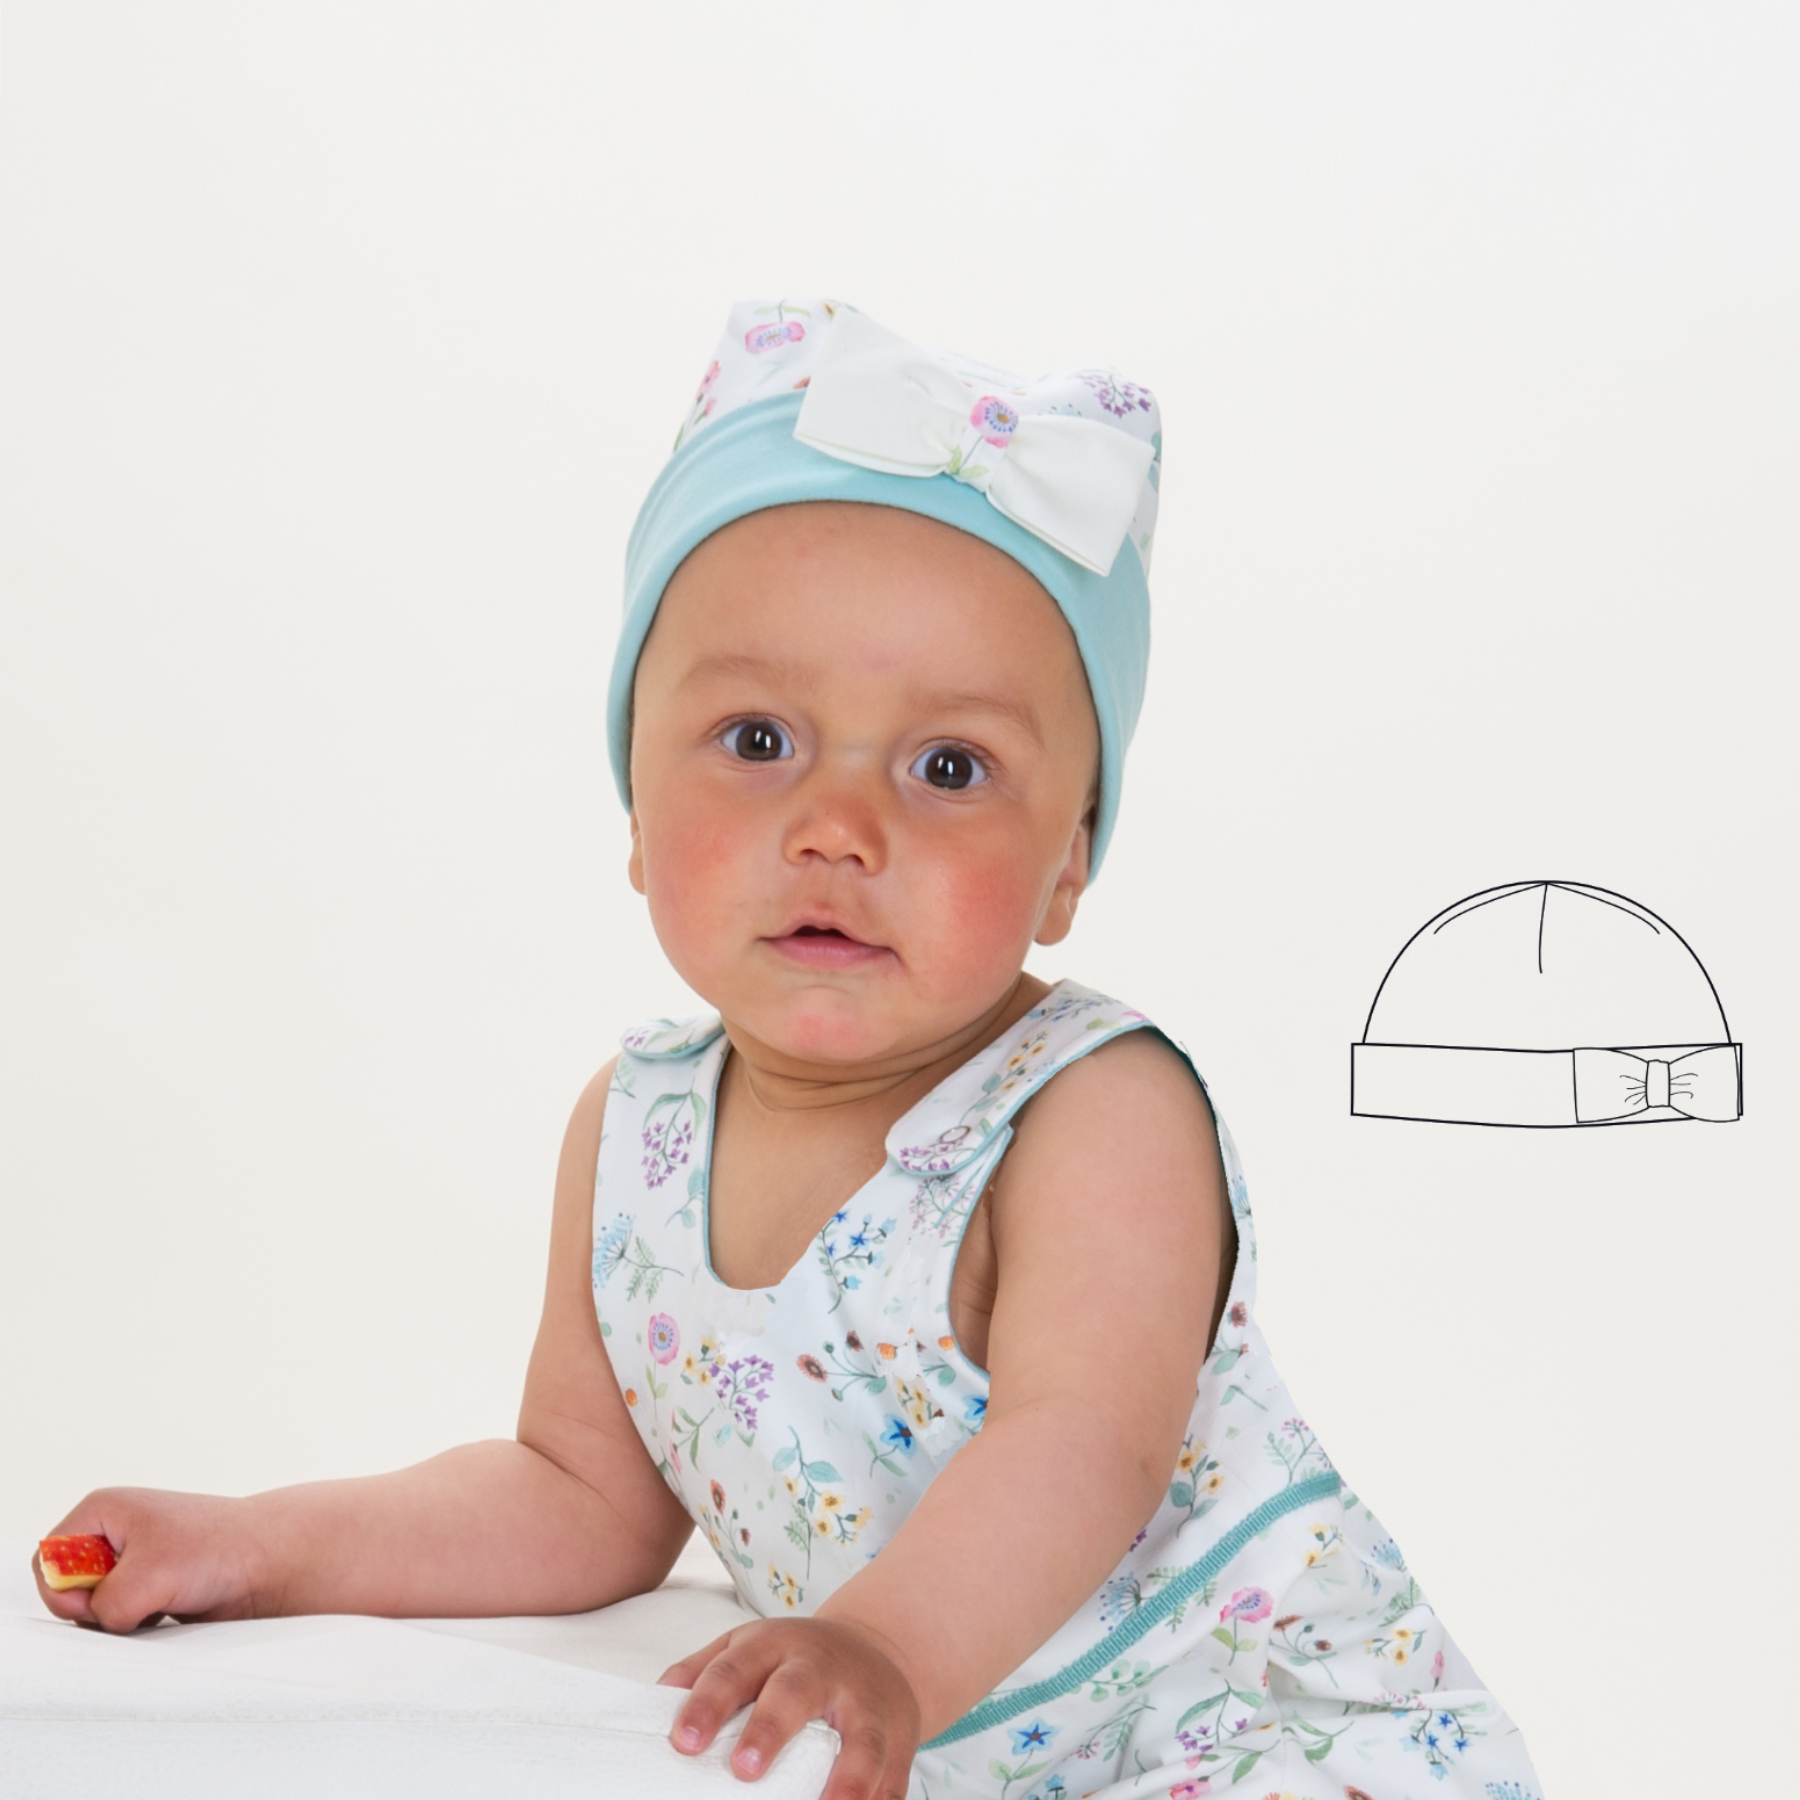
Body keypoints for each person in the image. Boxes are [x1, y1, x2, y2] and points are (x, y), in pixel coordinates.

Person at [37, 300, 1541, 1800]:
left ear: (1068, 867)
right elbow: (576, 1500)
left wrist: (877, 1644)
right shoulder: (640, 1130)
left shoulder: (1094, 1109)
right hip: (925, 1751)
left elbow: (1087, 1443)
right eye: (759, 740)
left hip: (1247, 1743)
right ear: (636, 809)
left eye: (949, 766)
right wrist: (258, 1547)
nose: (838, 828)